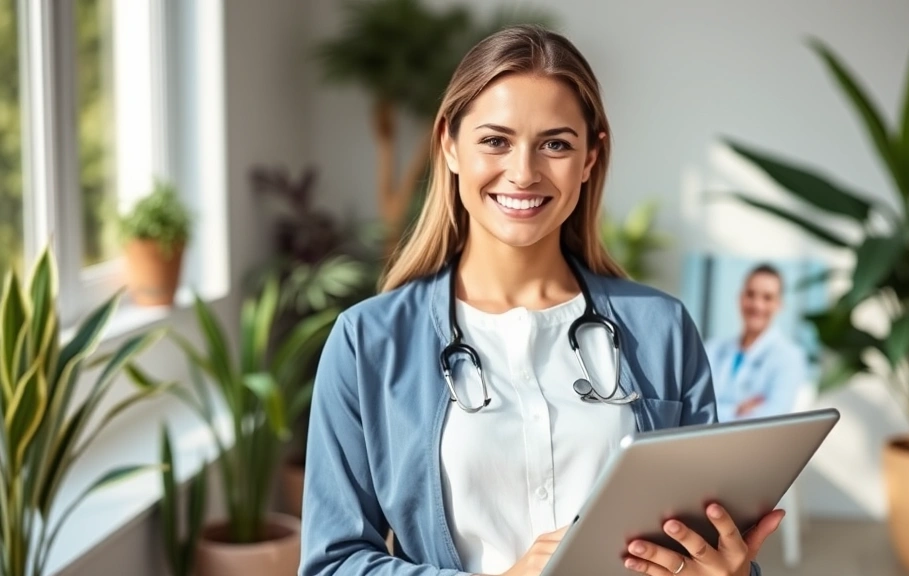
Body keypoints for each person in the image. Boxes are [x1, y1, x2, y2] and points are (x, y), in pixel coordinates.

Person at [299, 25, 783, 576]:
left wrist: (731, 571)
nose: (524, 172)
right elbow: (332, 564)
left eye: (555, 144)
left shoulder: (663, 329)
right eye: (495, 140)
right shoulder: (368, 341)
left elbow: (704, 538)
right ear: (450, 145)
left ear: (590, 158)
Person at [705, 264, 809, 423]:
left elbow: (771, 420)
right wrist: (736, 411)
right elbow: (695, 409)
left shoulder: (790, 358)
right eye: (750, 294)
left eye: (767, 298)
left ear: (779, 304)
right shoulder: (712, 349)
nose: (757, 305)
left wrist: (717, 412)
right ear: (740, 298)